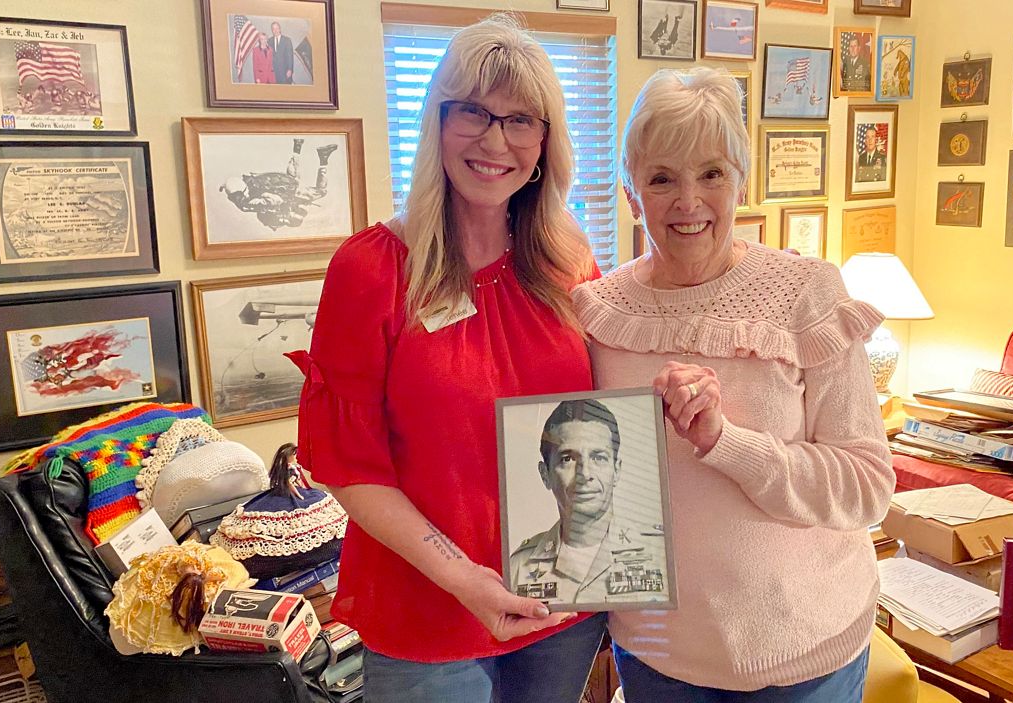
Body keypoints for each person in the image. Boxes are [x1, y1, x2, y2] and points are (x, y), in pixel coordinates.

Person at [289, 15, 604, 703]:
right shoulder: (371, 270)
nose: (495, 141)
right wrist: (463, 576)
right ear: (437, 120)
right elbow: (348, 463)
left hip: (560, 605)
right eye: (473, 112)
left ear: (545, 142)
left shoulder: (570, 263)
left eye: (520, 120)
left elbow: (606, 413)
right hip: (426, 614)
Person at [572, 66, 895, 702]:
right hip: (659, 658)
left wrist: (726, 442)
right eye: (662, 179)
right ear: (632, 194)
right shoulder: (599, 314)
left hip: (806, 655)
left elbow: (867, 487)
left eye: (712, 173)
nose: (688, 201)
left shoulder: (806, 292)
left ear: (741, 181)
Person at [507, 399, 667, 606]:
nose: (585, 474)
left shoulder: (660, 553)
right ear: (545, 474)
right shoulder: (518, 567)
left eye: (598, 457)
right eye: (567, 459)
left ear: (617, 469)